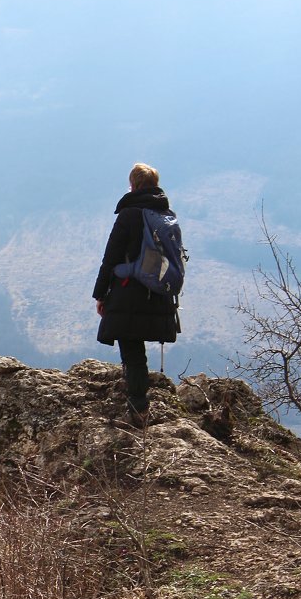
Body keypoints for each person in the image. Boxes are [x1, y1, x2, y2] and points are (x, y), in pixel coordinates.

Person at [92, 162, 181, 427]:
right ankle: (137, 398)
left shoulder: (129, 215)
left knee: (132, 350)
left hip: (128, 291)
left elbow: (110, 258)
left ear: (132, 185)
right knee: (136, 352)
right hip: (158, 293)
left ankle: (138, 409)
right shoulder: (166, 214)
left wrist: (100, 294)